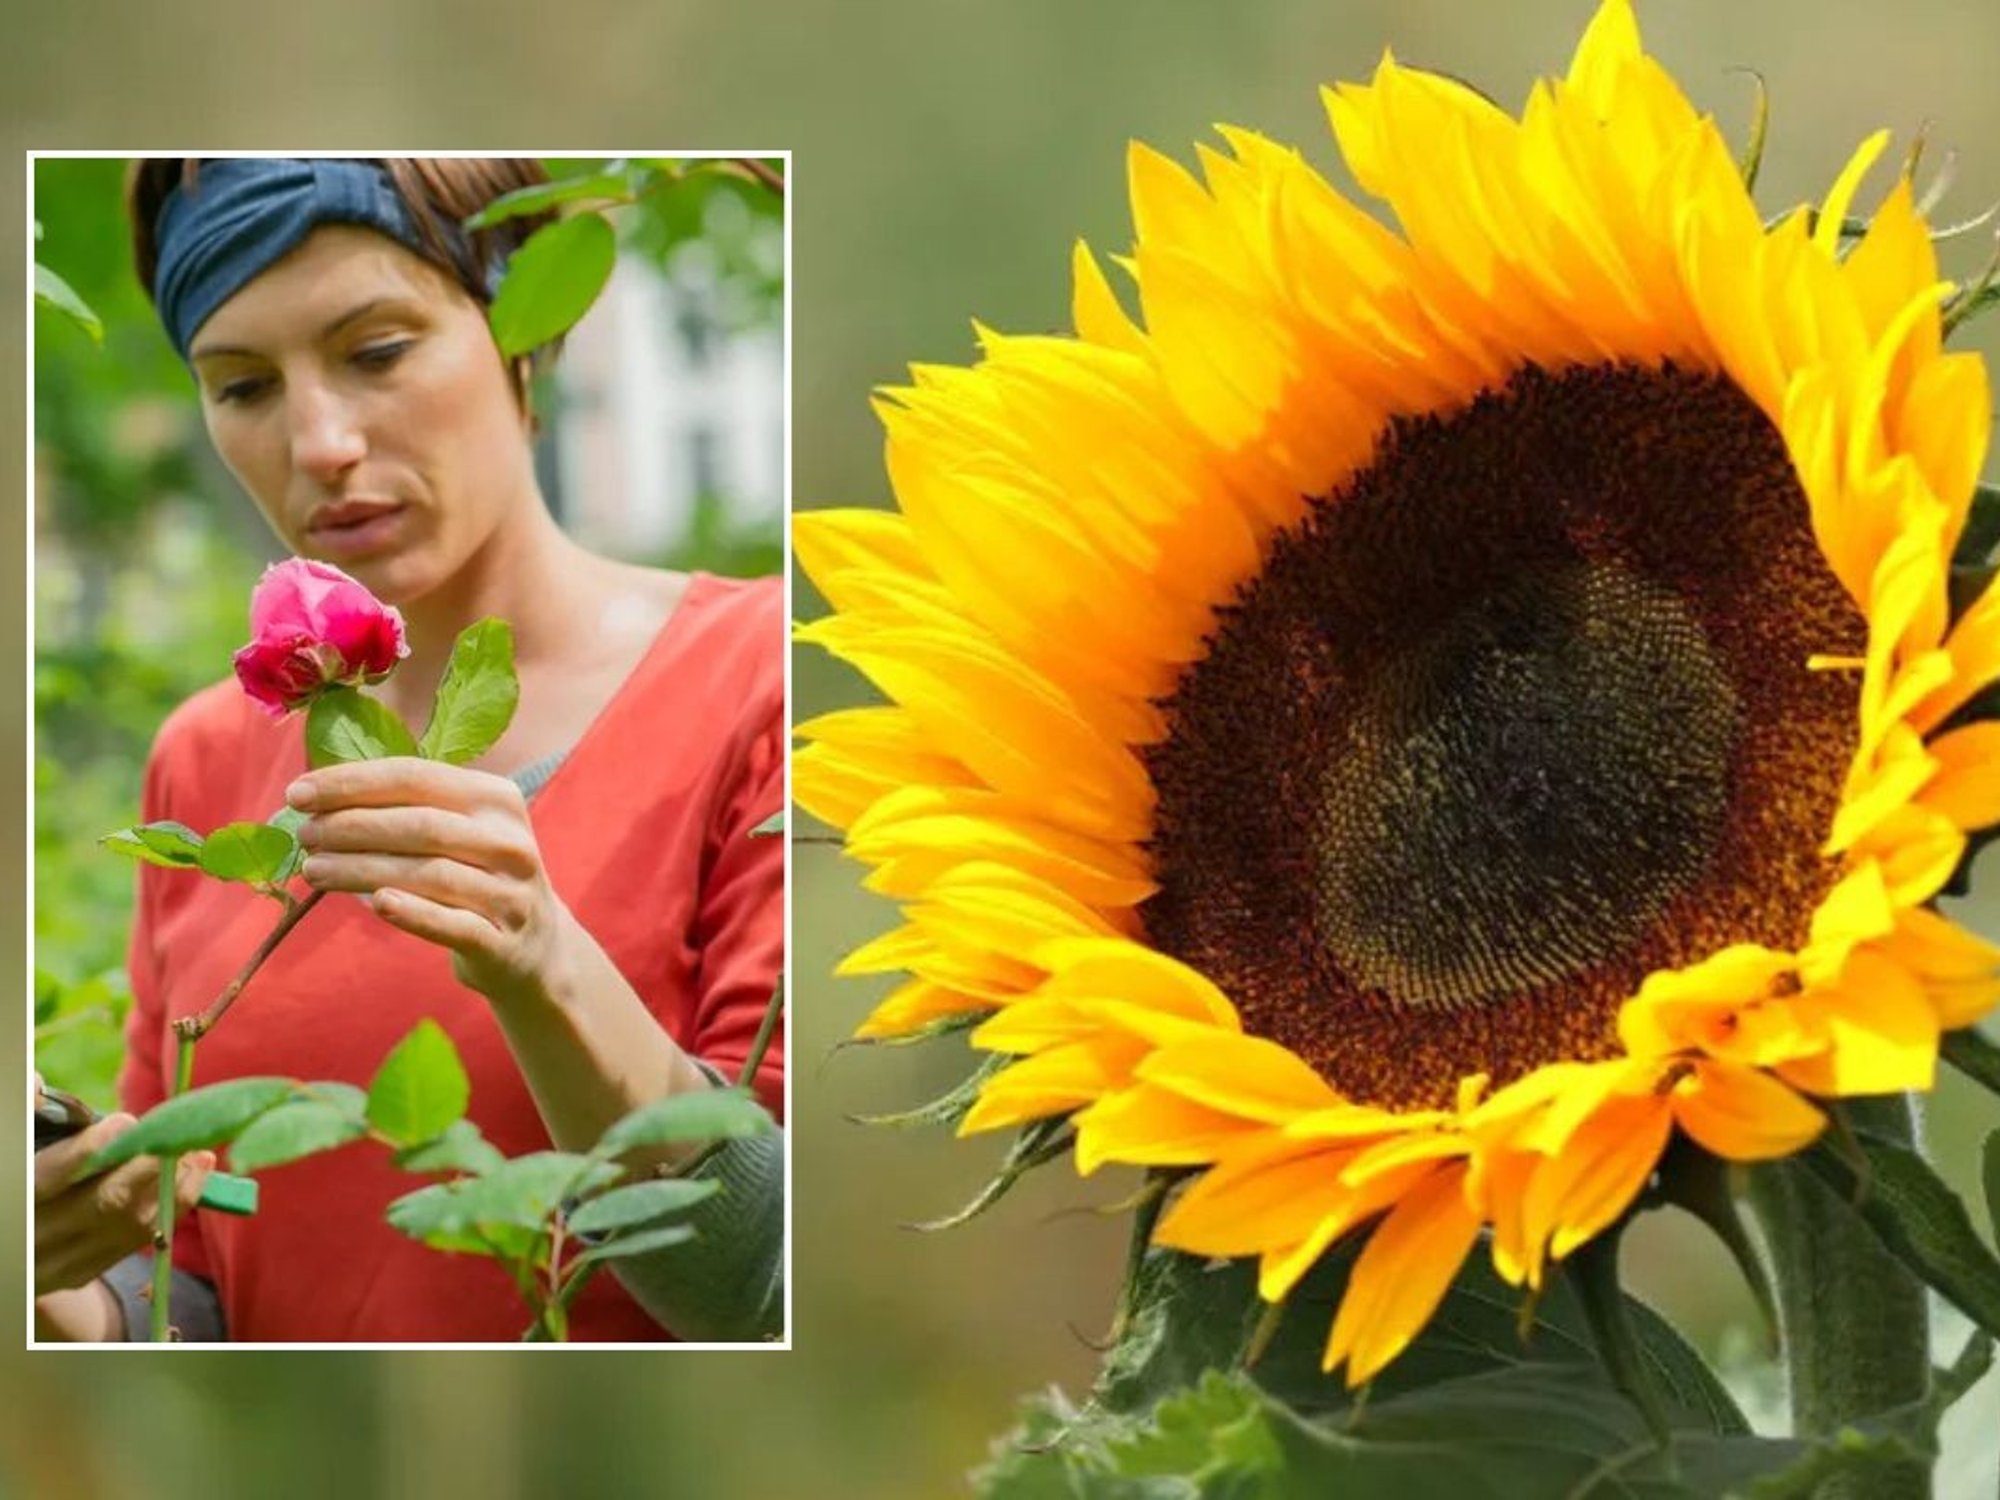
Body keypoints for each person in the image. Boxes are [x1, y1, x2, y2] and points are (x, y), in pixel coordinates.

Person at [32, 157, 785, 1342]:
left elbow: (776, 1288)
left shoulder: (760, 679)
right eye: (243, 386)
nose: (321, 442)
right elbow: (200, 1265)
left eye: (377, 352)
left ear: (524, 329)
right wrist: (63, 1293)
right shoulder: (204, 758)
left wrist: (542, 962)